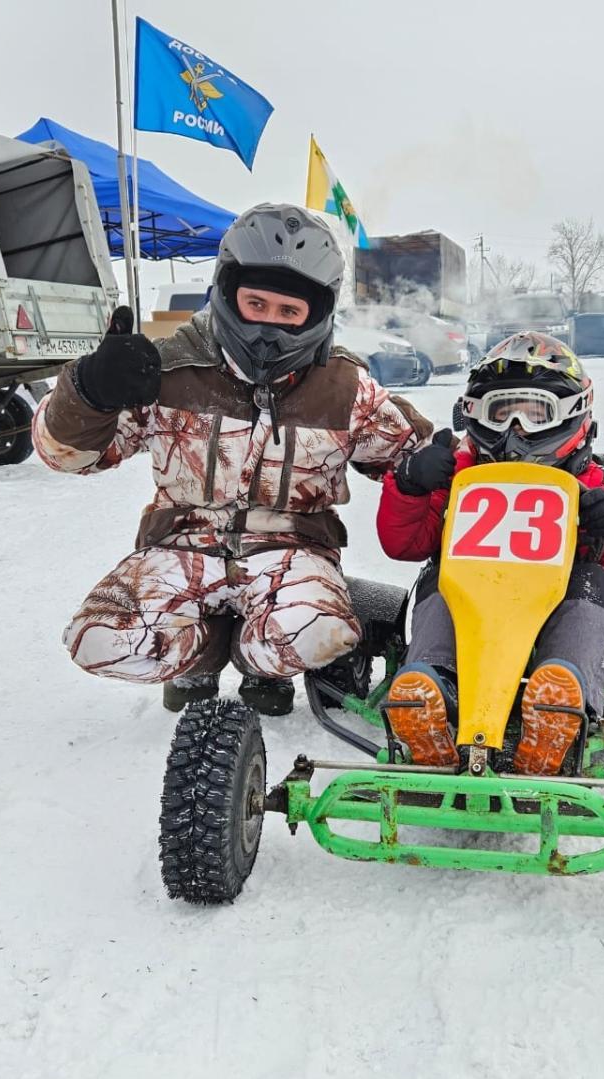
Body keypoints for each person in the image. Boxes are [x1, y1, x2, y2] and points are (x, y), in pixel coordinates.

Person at [33, 203, 432, 716]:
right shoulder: (167, 368)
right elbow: (69, 457)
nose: (269, 324)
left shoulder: (343, 385)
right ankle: (200, 656)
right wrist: (87, 392)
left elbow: (413, 452)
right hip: (179, 546)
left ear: (319, 313)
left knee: (323, 634)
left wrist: (432, 462)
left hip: (291, 550)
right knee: (98, 640)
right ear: (227, 292)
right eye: (256, 303)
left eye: (289, 312)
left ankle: (259, 662)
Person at [375, 333, 604, 773]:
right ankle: (433, 689)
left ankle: (561, 703)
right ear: (476, 415)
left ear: (570, 415)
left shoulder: (591, 483)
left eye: (534, 413)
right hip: (469, 612)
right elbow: (404, 543)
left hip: (555, 612)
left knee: (595, 583)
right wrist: (409, 484)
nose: (515, 430)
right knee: (440, 575)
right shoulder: (458, 473)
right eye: (502, 414)